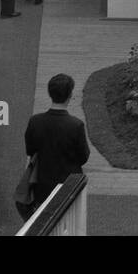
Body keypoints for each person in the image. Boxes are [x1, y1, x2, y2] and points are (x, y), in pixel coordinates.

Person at [22, 73, 90, 215]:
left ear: (50, 93)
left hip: (42, 184)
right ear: (70, 95)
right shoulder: (76, 125)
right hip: (69, 185)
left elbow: (30, 150)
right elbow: (83, 157)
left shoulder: (35, 121)